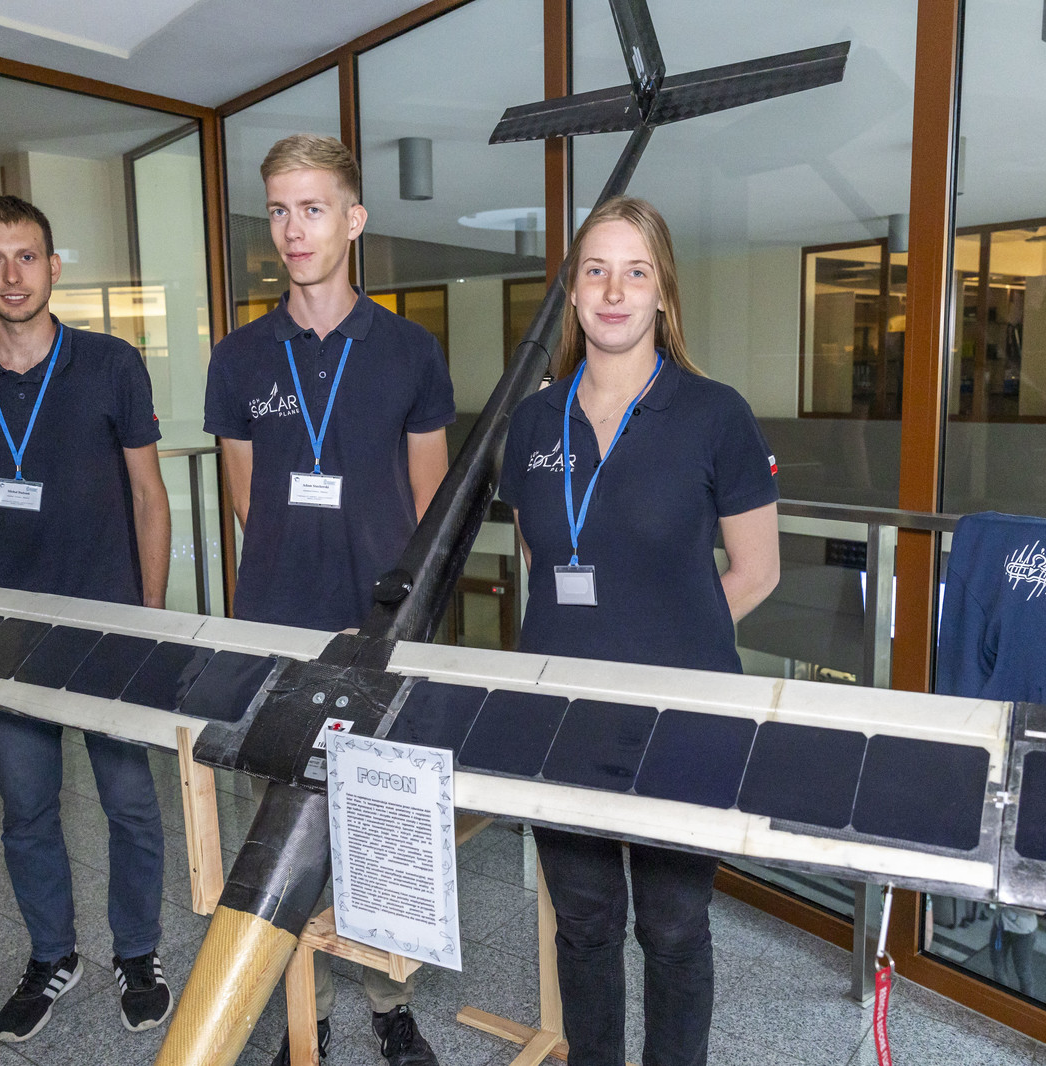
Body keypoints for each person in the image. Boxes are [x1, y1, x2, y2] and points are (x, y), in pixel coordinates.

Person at [497, 196, 781, 1066]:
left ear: (662, 291)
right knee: (584, 924)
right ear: (573, 291)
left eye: (635, 271)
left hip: (680, 721)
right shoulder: (534, 420)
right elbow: (542, 558)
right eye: (596, 271)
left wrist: (665, 648)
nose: (614, 291)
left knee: (673, 926)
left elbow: (757, 571)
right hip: (562, 720)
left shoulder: (715, 414)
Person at [204, 134, 453, 1066]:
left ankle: (391, 1006)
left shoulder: (410, 351)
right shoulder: (239, 358)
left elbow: (429, 504)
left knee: (382, 828)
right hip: (274, 631)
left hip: (380, 634)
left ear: (354, 220)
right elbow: (245, 498)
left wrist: (405, 623)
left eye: (312, 208)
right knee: (275, 831)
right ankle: (300, 1017)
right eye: (279, 209)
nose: (293, 229)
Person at [0, 195, 174, 1043]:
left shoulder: (110, 364)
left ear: (54, 266)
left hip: (107, 629)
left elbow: (149, 496)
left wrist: (149, 618)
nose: (12, 274)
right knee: (26, 810)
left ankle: (137, 952)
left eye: (26, 256)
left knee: (129, 804)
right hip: (8, 637)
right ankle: (52, 955)